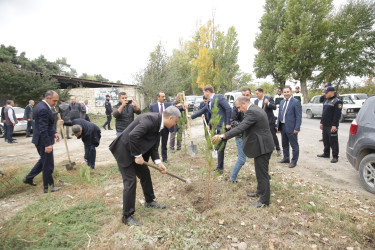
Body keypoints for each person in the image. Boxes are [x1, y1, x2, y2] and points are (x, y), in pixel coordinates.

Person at [109, 106, 181, 226]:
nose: (175, 124)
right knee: (130, 181)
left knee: (145, 174)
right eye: (175, 122)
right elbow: (133, 135)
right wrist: (137, 155)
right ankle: (127, 216)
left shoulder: (160, 125)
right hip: (124, 150)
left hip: (135, 152)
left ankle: (149, 201)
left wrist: (158, 162)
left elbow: (153, 145)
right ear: (171, 118)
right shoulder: (150, 119)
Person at [212, 96, 274, 207]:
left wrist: (223, 136)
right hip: (262, 145)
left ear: (244, 103)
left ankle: (264, 201)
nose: (239, 110)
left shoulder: (252, 112)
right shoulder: (254, 109)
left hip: (263, 146)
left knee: (262, 174)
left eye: (239, 107)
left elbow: (241, 128)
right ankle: (260, 191)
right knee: (259, 171)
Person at [22, 90, 61, 193]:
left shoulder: (41, 106)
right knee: (48, 164)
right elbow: (42, 129)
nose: (55, 103)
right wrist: (48, 144)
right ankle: (48, 187)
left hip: (41, 139)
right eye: (54, 100)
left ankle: (29, 178)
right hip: (43, 141)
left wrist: (54, 132)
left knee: (43, 161)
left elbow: (47, 125)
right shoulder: (43, 109)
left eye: (57, 101)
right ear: (48, 98)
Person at [190, 85, 232, 174]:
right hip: (217, 127)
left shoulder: (219, 97)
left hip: (223, 127)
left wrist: (228, 123)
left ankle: (220, 169)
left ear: (208, 91)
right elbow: (202, 111)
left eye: (204, 92)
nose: (203, 94)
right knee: (218, 147)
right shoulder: (210, 101)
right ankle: (219, 167)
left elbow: (228, 109)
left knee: (220, 148)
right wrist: (191, 116)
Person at [229, 87, 252, 182]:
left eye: (247, 95)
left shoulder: (252, 107)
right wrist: (244, 126)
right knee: (242, 159)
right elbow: (232, 121)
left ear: (250, 95)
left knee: (259, 157)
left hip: (251, 136)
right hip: (240, 136)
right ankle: (232, 178)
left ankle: (264, 175)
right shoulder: (236, 107)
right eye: (243, 95)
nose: (245, 97)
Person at [276, 86, 302, 168]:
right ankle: (286, 158)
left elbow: (298, 116)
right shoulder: (282, 102)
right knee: (284, 144)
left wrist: (297, 128)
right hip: (283, 126)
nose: (286, 93)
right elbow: (280, 114)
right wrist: (278, 126)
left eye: (288, 92)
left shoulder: (296, 102)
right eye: (285, 92)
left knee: (294, 145)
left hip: (291, 127)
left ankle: (294, 161)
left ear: (291, 92)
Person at [317, 86, 343, 163]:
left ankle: (335, 156)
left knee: (333, 141)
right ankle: (326, 153)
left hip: (332, 125)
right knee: (325, 140)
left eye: (326, 93)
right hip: (325, 124)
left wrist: (335, 125)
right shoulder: (326, 100)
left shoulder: (337, 101)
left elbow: (337, 115)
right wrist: (321, 122)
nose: (325, 94)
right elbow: (324, 113)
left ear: (331, 92)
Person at [254, 88, 281, 156]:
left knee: (273, 135)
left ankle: (278, 149)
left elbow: (274, 107)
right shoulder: (256, 101)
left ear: (261, 92)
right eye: (256, 94)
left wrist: (268, 103)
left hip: (269, 121)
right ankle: (266, 148)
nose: (256, 95)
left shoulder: (268, 98)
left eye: (257, 93)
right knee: (262, 136)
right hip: (260, 122)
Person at [149, 92, 172, 163]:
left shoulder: (168, 105)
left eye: (164, 96)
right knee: (156, 144)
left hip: (165, 127)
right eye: (162, 97)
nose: (164, 98)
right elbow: (150, 117)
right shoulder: (153, 106)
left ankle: (164, 158)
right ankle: (156, 159)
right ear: (158, 97)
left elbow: (176, 107)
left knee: (164, 144)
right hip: (157, 128)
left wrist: (183, 107)